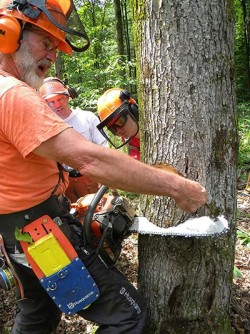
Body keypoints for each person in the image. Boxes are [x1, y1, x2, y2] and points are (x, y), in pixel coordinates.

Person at [0, 1, 207, 333]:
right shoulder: (13, 94)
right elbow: (90, 158)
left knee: (38, 314)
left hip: (15, 234)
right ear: (9, 34)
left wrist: (63, 181)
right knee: (128, 317)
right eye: (46, 42)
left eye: (56, 48)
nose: (53, 56)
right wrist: (176, 187)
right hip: (42, 236)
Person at [39, 77, 108, 202]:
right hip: (61, 183)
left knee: (99, 214)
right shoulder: (45, 126)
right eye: (52, 102)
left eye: (60, 99)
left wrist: (100, 178)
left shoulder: (87, 118)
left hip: (90, 177)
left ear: (67, 97)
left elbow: (104, 149)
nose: (57, 105)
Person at [97, 88, 141, 160]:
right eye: (113, 128)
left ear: (133, 110)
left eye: (120, 122)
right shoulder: (127, 139)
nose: (118, 131)